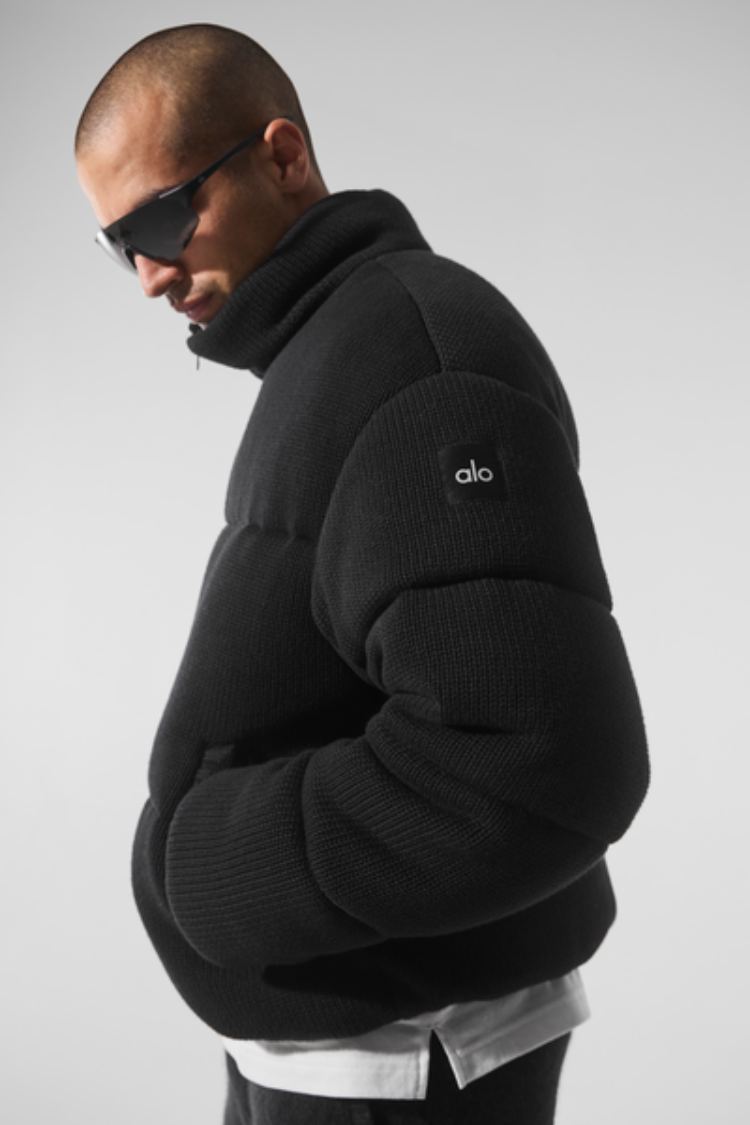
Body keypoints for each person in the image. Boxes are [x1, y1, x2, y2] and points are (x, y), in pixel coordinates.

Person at [75, 23, 650, 1125]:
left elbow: (541, 756)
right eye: (117, 245)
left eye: (161, 220)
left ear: (283, 156)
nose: (148, 276)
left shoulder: (417, 358)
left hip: (407, 1064)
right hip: (352, 1047)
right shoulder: (339, 349)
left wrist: (210, 866)